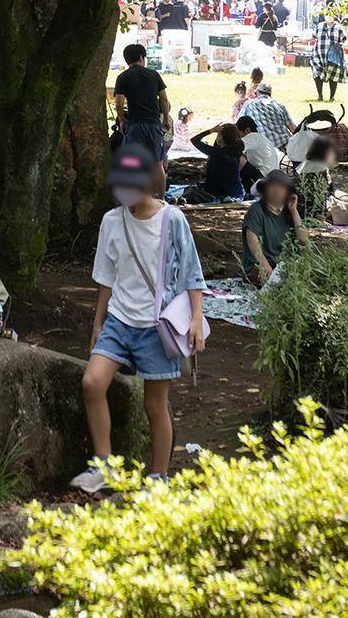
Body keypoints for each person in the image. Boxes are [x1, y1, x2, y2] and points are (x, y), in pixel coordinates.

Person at [71, 146, 205, 496]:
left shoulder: (172, 219)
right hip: (118, 319)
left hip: (156, 325)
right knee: (92, 382)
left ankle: (158, 476)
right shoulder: (112, 221)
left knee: (153, 404)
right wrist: (98, 323)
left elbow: (192, 273)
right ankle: (103, 465)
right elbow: (106, 277)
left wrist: (196, 320)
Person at [113, 42, 170, 192]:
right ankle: (162, 200)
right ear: (141, 57)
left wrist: (122, 120)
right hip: (153, 124)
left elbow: (119, 104)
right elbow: (164, 99)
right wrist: (165, 119)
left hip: (135, 125)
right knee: (158, 164)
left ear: (127, 60)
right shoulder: (154, 75)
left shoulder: (123, 77)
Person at [240, 170, 303, 284]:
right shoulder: (256, 210)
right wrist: (266, 267)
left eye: (281, 187)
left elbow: (303, 240)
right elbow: (253, 241)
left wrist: (294, 211)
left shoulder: (288, 212)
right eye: (273, 186)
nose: (277, 190)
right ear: (265, 189)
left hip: (283, 264)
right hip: (260, 265)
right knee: (263, 276)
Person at [188, 122, 248, 201]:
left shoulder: (215, 152)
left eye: (218, 134)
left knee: (190, 190)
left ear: (221, 138)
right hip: (237, 194)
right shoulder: (239, 153)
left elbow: (194, 140)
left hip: (216, 194)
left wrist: (211, 130)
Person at [308, 14, 345, 102]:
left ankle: (332, 97)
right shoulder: (319, 26)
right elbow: (313, 37)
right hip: (318, 54)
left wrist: (345, 44)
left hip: (333, 56)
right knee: (317, 73)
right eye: (327, 14)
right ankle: (320, 96)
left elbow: (344, 39)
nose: (329, 16)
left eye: (331, 13)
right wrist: (304, 40)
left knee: (333, 76)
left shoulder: (339, 27)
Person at [236, 113, 285, 179]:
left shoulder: (251, 136)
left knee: (237, 155)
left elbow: (235, 148)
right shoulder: (260, 137)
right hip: (271, 175)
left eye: (239, 134)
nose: (239, 138)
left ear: (247, 130)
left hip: (263, 175)